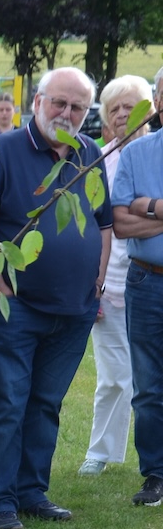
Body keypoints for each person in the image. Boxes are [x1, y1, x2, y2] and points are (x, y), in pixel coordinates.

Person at [0, 67, 112, 529]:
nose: (67, 113)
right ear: (37, 102)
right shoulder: (3, 150)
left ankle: (31, 491)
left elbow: (103, 222)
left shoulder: (89, 153)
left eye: (78, 107)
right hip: (16, 306)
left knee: (46, 402)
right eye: (59, 102)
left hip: (74, 309)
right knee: (7, 403)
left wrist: (97, 278)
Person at [78, 75, 153, 478]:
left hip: (152, 279)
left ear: (149, 109)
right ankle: (101, 451)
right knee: (113, 376)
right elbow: (96, 226)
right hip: (108, 284)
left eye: (130, 105)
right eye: (114, 108)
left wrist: (139, 214)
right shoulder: (96, 162)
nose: (123, 114)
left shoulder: (155, 154)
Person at [108, 78, 163, 507]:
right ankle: (156, 474)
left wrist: (147, 205)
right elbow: (121, 224)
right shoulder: (136, 153)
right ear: (157, 101)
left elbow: (133, 213)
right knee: (148, 387)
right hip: (147, 281)